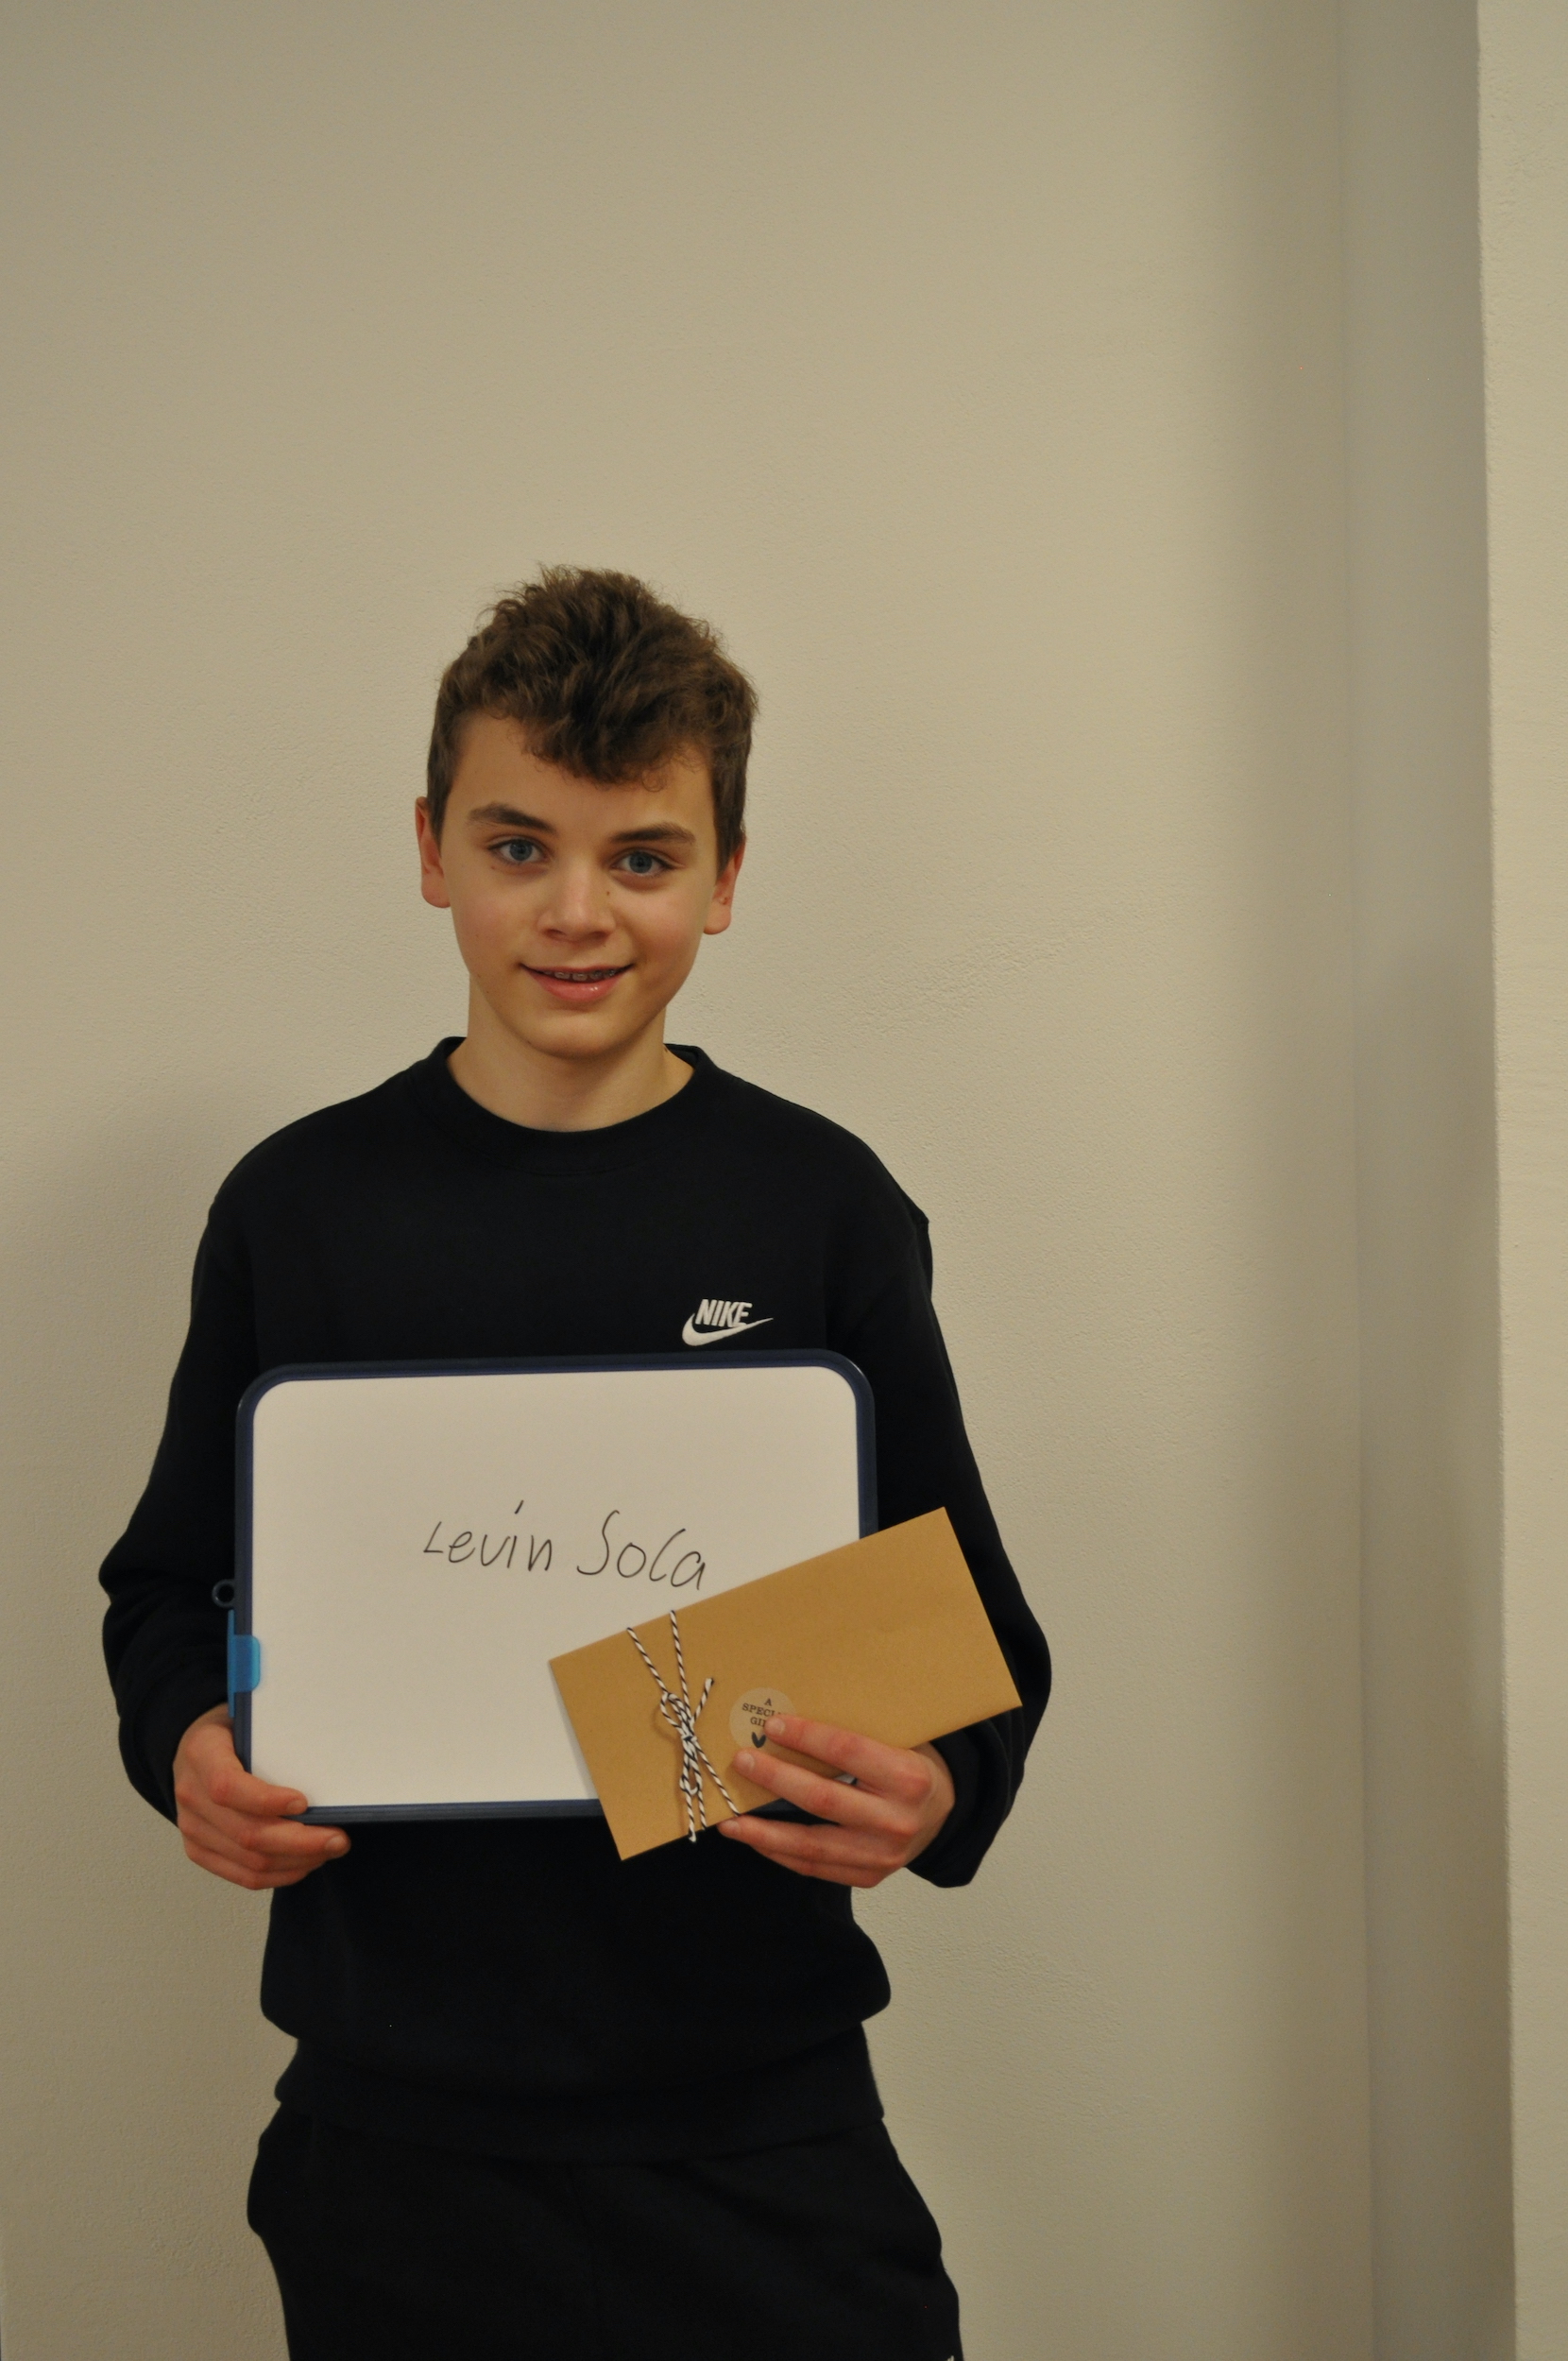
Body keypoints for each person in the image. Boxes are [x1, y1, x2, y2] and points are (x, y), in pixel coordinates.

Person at [101, 567, 1050, 2361]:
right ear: (431, 848)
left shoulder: (820, 1207)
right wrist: (185, 1748)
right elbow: (164, 1590)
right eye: (520, 846)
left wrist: (938, 1786)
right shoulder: (300, 1208)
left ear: (727, 877)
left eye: (644, 857)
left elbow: (972, 1633)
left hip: (757, 2120)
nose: (578, 913)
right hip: (394, 2141)